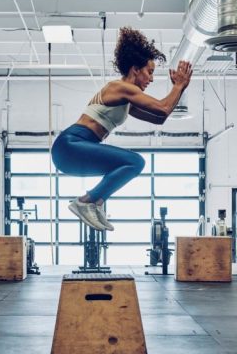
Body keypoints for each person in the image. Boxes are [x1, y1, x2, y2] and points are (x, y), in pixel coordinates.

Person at [51, 27, 193, 231]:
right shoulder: (120, 88)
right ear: (135, 69)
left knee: (126, 166)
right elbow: (162, 109)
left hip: (75, 151)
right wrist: (178, 86)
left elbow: (159, 119)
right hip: (71, 145)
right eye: (149, 72)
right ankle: (87, 202)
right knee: (135, 162)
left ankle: (95, 203)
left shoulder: (127, 99)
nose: (151, 79)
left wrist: (179, 89)